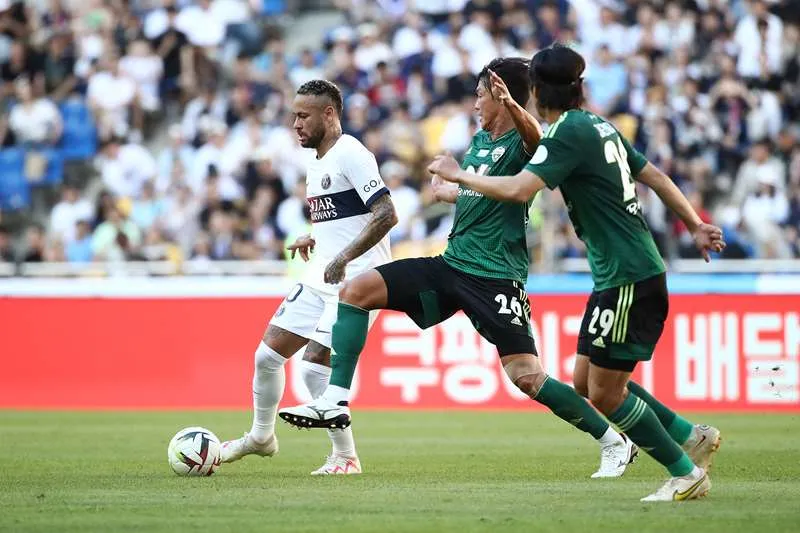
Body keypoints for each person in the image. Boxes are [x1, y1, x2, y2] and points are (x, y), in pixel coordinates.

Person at [280, 58, 639, 479]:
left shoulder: (521, 144)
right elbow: (481, 196)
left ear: (502, 96)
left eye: (481, 95)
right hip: (452, 264)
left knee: (526, 376)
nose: (475, 105)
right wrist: (449, 191)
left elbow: (535, 140)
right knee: (357, 290)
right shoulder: (481, 143)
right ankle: (335, 398)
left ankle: (614, 441)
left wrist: (502, 123)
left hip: (495, 275)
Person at [426, 45, 725, 502]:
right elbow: (657, 177)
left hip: (627, 274)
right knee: (586, 382)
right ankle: (690, 435)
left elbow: (518, 189)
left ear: (537, 92)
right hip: (618, 273)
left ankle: (685, 472)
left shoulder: (567, 133)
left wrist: (459, 176)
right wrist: (695, 223)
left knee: (605, 395)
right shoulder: (598, 125)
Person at [219, 80, 398, 476]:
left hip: (357, 281)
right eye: (293, 115)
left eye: (303, 116)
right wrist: (314, 237)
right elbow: (347, 220)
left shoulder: (352, 152)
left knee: (313, 364)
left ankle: (345, 457)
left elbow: (386, 214)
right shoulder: (316, 159)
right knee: (266, 357)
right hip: (322, 273)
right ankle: (261, 436)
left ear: (328, 114)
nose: (295, 123)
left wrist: (343, 257)